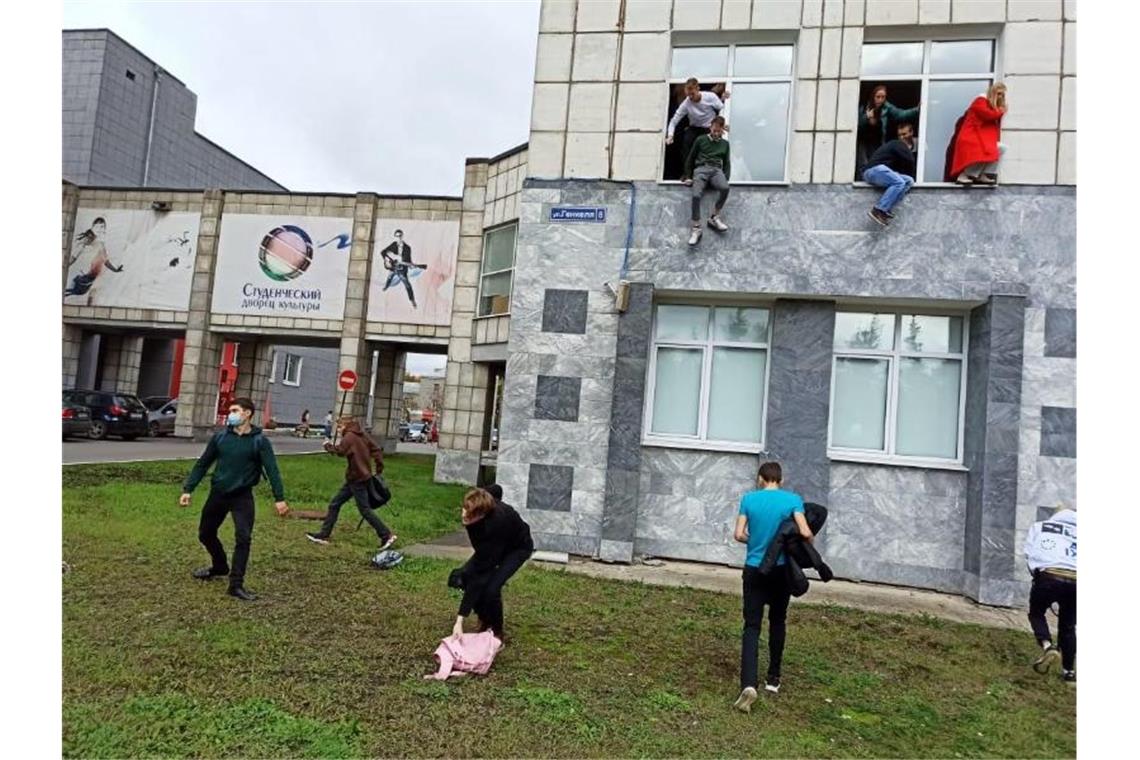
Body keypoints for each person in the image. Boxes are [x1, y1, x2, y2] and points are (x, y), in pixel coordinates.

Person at [180, 397, 288, 602]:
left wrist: (279, 498)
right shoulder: (220, 438)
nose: (231, 414)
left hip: (242, 497)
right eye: (231, 410)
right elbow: (203, 463)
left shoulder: (259, 441)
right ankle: (220, 565)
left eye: (235, 410)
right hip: (218, 493)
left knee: (243, 538)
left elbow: (272, 469)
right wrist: (188, 489)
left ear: (247, 413)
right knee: (205, 534)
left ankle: (236, 584)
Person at [731, 461, 813, 713]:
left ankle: (748, 683)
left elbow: (738, 534)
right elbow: (805, 532)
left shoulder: (749, 499)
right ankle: (773, 679)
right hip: (780, 571)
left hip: (755, 569)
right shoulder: (792, 500)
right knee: (778, 620)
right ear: (781, 479)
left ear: (760, 478)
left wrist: (755, 540)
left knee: (752, 626)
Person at [451, 486, 534, 641]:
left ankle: (497, 632)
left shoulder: (492, 527)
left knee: (491, 589)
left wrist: (459, 620)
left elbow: (479, 577)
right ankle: (484, 619)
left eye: (470, 516)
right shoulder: (481, 500)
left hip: (517, 548)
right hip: (497, 544)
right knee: (463, 576)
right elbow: (496, 489)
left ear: (482, 515)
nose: (464, 515)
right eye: (464, 509)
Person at [306, 416, 397, 550]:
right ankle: (323, 534)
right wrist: (378, 468)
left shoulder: (349, 437)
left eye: (340, 427)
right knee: (335, 504)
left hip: (357, 478)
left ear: (345, 425)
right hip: (361, 476)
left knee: (365, 510)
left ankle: (386, 535)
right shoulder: (362, 434)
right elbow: (376, 449)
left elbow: (340, 451)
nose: (339, 430)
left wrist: (327, 446)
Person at [1024, 507, 1077, 684]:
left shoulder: (1040, 527)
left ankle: (1048, 646)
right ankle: (1069, 672)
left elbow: (1029, 553)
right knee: (1068, 626)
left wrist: (1036, 574)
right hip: (1077, 581)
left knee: (1037, 613)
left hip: (1048, 577)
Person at [665, 77, 728, 181]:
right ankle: (688, 175)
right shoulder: (686, 103)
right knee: (686, 144)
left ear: (698, 89)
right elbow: (674, 121)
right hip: (694, 128)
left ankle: (709, 175)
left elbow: (722, 108)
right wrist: (670, 135)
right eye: (688, 95)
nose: (690, 97)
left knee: (706, 148)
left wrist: (721, 124)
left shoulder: (710, 97)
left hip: (709, 127)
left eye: (692, 94)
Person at [684, 115, 732, 247]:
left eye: (718, 131)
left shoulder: (725, 144)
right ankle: (696, 228)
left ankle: (714, 217)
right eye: (714, 130)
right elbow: (691, 157)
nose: (715, 133)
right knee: (695, 195)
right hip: (701, 169)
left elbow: (727, 163)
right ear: (710, 127)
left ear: (722, 130)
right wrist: (688, 176)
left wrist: (725, 178)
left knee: (725, 188)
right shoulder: (701, 140)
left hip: (716, 170)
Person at [948, 82, 1007, 185]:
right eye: (998, 94)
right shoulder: (980, 101)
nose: (1000, 96)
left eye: (1002, 94)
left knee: (1000, 148)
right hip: (971, 137)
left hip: (978, 137)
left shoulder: (989, 104)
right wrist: (1001, 111)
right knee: (985, 152)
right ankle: (965, 175)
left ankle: (983, 173)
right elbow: (988, 115)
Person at [863, 121, 917, 227]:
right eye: (900, 135)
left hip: (882, 171)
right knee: (899, 182)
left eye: (905, 134)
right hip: (873, 170)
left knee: (908, 181)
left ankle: (885, 208)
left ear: (911, 133)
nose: (902, 137)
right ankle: (878, 209)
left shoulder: (911, 144)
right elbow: (910, 161)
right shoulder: (898, 144)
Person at [857, 85, 920, 174]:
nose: (880, 100)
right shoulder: (863, 108)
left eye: (883, 97)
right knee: (863, 164)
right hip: (864, 141)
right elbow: (855, 126)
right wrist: (866, 117)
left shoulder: (886, 107)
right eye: (878, 97)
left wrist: (916, 110)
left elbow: (901, 114)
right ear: (873, 96)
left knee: (875, 164)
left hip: (877, 141)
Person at [64, 217, 124, 305]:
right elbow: (74, 256)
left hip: (90, 279)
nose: (101, 229)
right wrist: (65, 265)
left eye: (103, 227)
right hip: (80, 276)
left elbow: (106, 261)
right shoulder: (86, 240)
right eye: (98, 226)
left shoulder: (101, 245)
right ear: (93, 227)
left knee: (91, 296)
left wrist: (115, 269)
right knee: (70, 293)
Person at [380, 229, 428, 308]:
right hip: (392, 268)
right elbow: (383, 252)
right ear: (395, 237)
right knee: (389, 277)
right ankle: (386, 286)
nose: (398, 238)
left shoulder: (407, 248)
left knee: (407, 285)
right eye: (396, 236)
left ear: (402, 236)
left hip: (402, 270)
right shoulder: (393, 245)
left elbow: (408, 261)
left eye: (400, 236)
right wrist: (387, 261)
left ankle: (412, 300)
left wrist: (411, 265)